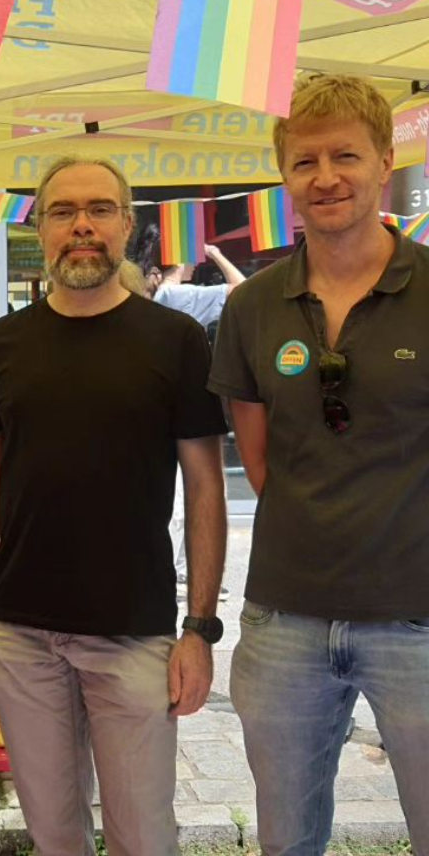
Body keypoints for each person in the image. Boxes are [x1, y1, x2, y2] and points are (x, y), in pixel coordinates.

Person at [209, 74, 429, 856]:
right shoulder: (251, 309)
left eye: (344, 155)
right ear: (283, 177)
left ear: (384, 162)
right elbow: (259, 457)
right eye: (303, 161)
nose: (324, 176)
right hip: (284, 623)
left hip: (427, 625)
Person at [0, 155, 228, 856]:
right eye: (62, 210)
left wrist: (198, 631)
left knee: (145, 850)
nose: (82, 225)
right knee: (54, 845)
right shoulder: (2, 343)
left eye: (100, 209)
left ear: (127, 226)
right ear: (40, 228)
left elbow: (206, 490)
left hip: (133, 635)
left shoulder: (175, 341)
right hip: (18, 635)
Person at [146, 236, 245, 601]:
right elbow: (242, 289)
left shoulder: (150, 297)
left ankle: (175, 571)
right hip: (183, 405)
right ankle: (179, 572)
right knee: (192, 492)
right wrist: (217, 255)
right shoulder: (178, 297)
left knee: (173, 493)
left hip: (155, 405)